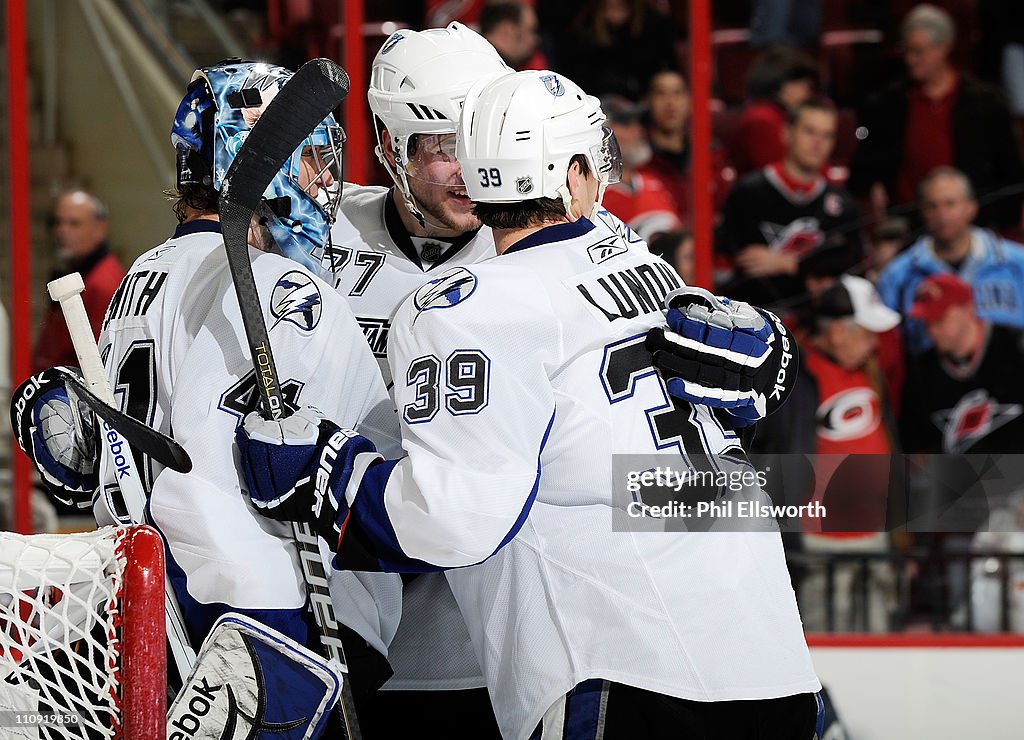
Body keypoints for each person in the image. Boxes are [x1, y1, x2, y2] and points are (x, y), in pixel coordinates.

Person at [239, 69, 822, 740]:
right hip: (770, 661)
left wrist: (324, 473)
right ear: (573, 173)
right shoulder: (643, 263)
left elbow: (451, 521)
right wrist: (778, 345)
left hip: (625, 667)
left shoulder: (463, 308)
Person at [12, 60, 401, 701]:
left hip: (152, 611)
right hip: (265, 625)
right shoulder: (280, 286)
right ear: (258, 158)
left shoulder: (143, 276)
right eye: (308, 159)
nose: (325, 181)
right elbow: (218, 480)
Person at [321, 23, 511, 737]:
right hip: (350, 644)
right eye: (440, 148)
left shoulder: (551, 242)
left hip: (497, 653)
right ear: (388, 147)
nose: (469, 169)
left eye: (480, 140)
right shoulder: (318, 239)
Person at [849, 3, 1024, 229]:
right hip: (908, 222)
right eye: (907, 50)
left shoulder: (985, 103)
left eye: (918, 51)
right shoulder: (889, 103)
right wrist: (873, 186)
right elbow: (865, 165)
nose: (910, 59)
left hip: (973, 226)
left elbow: (1009, 170)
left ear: (943, 48)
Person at [717, 97, 864, 308]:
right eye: (810, 131)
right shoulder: (748, 193)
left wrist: (789, 264)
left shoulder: (841, 204)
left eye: (827, 135)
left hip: (818, 319)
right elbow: (737, 260)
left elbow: (850, 261)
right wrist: (813, 268)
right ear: (786, 133)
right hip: (754, 312)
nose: (818, 143)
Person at [875, 167, 1024, 356]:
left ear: (972, 207)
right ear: (922, 212)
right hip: (931, 379)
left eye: (950, 204)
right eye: (932, 206)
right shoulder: (899, 275)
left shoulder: (1016, 262)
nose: (942, 215)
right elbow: (888, 346)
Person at [31, 189, 125, 373]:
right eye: (57, 222)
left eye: (74, 224)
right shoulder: (80, 275)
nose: (61, 231)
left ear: (100, 228)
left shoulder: (104, 283)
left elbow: (101, 360)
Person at [599, 94, 683, 241]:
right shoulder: (591, 195)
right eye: (625, 123)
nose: (637, 130)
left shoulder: (660, 181)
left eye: (637, 122)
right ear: (601, 132)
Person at [731, 46, 819, 178]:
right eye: (804, 86)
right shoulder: (762, 120)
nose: (807, 94)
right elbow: (780, 176)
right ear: (783, 85)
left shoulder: (782, 116)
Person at [479, 0, 541, 70]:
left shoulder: (471, 55)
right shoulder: (497, 72)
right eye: (531, 31)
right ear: (508, 30)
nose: (535, 39)